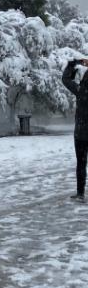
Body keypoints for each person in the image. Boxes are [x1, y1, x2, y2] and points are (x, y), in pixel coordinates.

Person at [62, 57, 88, 201]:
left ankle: (80, 194)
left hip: (81, 133)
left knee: (81, 164)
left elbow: (66, 79)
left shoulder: (80, 91)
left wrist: (74, 63)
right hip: (82, 132)